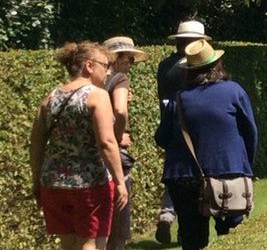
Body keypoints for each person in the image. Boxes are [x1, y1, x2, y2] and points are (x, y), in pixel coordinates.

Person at [155, 40, 257, 250]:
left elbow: (162, 138)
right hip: (228, 171)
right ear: (217, 65)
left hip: (184, 177)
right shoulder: (233, 91)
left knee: (193, 241)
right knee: (232, 236)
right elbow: (250, 132)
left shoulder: (179, 99)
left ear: (187, 72)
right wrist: (246, 167)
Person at [29, 42, 129, 250]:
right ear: (89, 66)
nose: (108, 71)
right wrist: (120, 181)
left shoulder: (51, 97)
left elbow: (36, 142)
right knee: (91, 243)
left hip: (53, 183)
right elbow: (107, 142)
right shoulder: (97, 95)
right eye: (105, 65)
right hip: (90, 183)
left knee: (68, 245)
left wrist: (37, 180)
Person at [154, 20, 210, 243]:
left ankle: (168, 214)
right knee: (195, 176)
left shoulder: (164, 66)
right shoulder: (193, 66)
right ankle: (189, 225)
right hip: (193, 125)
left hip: (170, 125)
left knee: (176, 173)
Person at [101, 37, 148, 250]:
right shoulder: (119, 79)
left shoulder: (90, 82)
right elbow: (120, 111)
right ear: (116, 59)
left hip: (91, 161)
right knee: (118, 231)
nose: (130, 64)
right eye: (128, 59)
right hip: (112, 157)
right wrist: (118, 137)